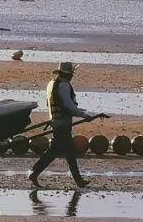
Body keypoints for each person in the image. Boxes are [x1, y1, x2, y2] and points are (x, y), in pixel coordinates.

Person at [28, 61, 106, 189]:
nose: (72, 76)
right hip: (62, 124)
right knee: (58, 151)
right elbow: (68, 106)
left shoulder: (52, 83)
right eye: (71, 74)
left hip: (56, 121)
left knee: (67, 151)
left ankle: (78, 180)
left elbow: (50, 103)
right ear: (67, 74)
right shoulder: (64, 86)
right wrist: (84, 115)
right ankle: (35, 172)